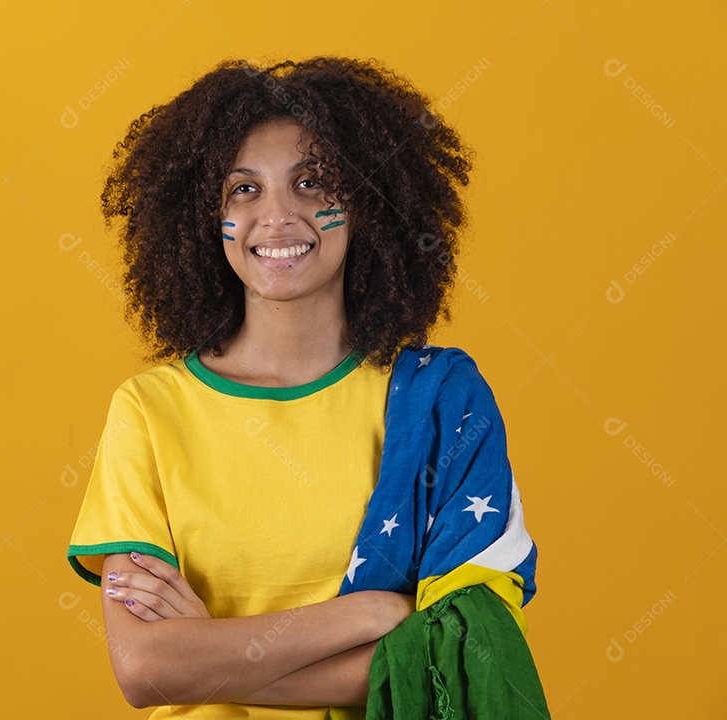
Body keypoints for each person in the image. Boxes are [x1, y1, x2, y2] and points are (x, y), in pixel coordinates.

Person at [66, 56, 543, 718]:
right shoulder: (148, 411)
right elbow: (146, 669)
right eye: (243, 190)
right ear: (205, 216)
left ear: (368, 203)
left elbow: (460, 660)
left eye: (313, 183)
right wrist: (370, 613)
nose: (278, 216)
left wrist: (206, 656)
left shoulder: (439, 401)